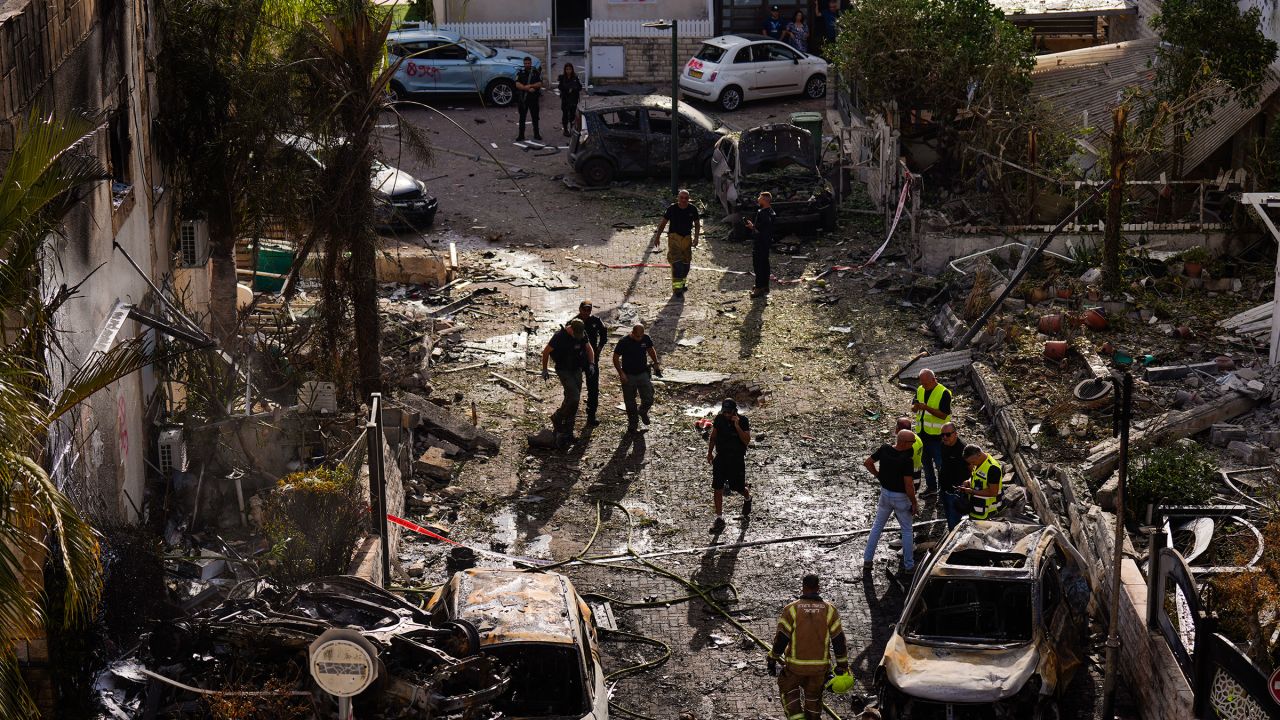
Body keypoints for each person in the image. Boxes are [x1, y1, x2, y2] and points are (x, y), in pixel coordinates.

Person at [768, 573, 849, 720]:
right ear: (818, 588)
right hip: (819, 669)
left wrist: (772, 658)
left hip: (794, 668)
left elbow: (781, 639)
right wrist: (842, 665)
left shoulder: (792, 609)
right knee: (813, 699)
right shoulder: (830, 610)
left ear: (803, 587)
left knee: (789, 693)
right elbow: (838, 640)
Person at [862, 429, 919, 571]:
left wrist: (879, 476)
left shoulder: (884, 449)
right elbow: (908, 484)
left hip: (885, 494)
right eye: (912, 442)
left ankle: (867, 560)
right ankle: (909, 565)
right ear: (905, 443)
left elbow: (868, 462)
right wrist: (914, 502)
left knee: (877, 527)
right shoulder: (907, 460)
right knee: (907, 530)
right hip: (901, 498)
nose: (913, 444)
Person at [540, 318, 594, 445]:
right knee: (574, 397)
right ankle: (558, 416)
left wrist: (591, 364)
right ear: (570, 329)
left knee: (573, 401)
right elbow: (546, 352)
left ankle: (568, 432)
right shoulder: (559, 336)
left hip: (576, 369)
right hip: (564, 370)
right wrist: (544, 369)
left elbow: (589, 348)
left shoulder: (581, 333)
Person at [707, 398, 752, 532]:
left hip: (736, 460)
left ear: (734, 411)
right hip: (721, 458)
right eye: (724, 412)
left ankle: (748, 497)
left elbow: (746, 440)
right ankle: (719, 518)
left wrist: (737, 426)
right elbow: (713, 436)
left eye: (729, 412)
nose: (726, 415)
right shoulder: (719, 419)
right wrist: (710, 452)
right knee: (717, 487)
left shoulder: (743, 421)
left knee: (737, 487)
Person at [613, 323, 661, 435]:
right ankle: (633, 423)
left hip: (643, 373)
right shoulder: (624, 342)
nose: (639, 339)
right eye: (637, 336)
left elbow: (650, 349)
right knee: (630, 402)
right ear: (632, 333)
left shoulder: (646, 338)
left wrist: (656, 362)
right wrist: (621, 373)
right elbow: (615, 358)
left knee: (649, 397)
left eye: (641, 336)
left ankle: (643, 411)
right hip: (628, 375)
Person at [651, 189, 701, 296]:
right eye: (681, 197)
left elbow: (697, 224)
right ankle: (677, 290)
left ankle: (682, 285)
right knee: (677, 265)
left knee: (686, 266)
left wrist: (696, 238)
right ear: (678, 198)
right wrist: (657, 237)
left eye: (686, 198)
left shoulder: (693, 209)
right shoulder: (672, 209)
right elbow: (663, 223)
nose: (683, 200)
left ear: (689, 199)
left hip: (687, 239)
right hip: (674, 238)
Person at [912, 368, 953, 496]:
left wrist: (927, 408)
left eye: (926, 383)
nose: (924, 385)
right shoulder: (920, 389)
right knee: (926, 464)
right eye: (922, 383)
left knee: (940, 465)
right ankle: (931, 487)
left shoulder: (943, 392)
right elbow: (913, 407)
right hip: (922, 434)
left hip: (938, 437)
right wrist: (916, 407)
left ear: (934, 379)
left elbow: (943, 414)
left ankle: (944, 490)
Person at [576, 300, 608, 426]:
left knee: (593, 388)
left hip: (592, 359)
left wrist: (599, 348)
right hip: (577, 360)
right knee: (574, 388)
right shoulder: (575, 323)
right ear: (580, 309)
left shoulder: (596, 321)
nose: (586, 312)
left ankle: (591, 416)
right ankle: (570, 416)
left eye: (589, 310)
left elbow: (604, 334)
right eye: (584, 309)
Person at [744, 191, 775, 298]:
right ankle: (765, 285)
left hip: (760, 242)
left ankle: (758, 288)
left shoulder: (762, 213)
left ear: (765, 200)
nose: (757, 199)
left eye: (760, 198)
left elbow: (759, 230)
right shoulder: (772, 212)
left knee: (758, 265)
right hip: (767, 242)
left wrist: (752, 227)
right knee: (765, 264)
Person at [960, 445, 1004, 520]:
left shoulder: (992, 468)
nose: (972, 464)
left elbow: (993, 492)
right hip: (977, 509)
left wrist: (972, 491)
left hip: (988, 513)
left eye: (973, 462)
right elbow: (977, 476)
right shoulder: (980, 462)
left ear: (979, 454)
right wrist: (969, 481)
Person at [938, 423, 968, 529]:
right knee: (948, 516)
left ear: (955, 434)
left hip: (956, 491)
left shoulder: (963, 449)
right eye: (942, 435)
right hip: (944, 488)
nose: (944, 437)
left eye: (947, 434)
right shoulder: (943, 444)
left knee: (955, 521)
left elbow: (972, 469)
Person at [515, 57, 543, 142]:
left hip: (533, 99)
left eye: (528, 63)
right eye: (525, 63)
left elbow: (540, 83)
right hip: (523, 99)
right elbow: (517, 84)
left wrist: (531, 86)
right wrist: (525, 88)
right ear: (524, 64)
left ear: (531, 63)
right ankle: (521, 135)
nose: (527, 65)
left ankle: (536, 134)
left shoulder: (535, 72)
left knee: (535, 117)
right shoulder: (520, 73)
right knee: (522, 118)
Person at [895, 416, 923, 486]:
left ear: (899, 429)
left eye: (897, 427)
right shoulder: (917, 438)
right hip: (917, 474)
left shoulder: (906, 445)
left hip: (908, 477)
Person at [557, 63, 583, 137]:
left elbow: (580, 87)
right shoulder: (562, 78)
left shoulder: (575, 77)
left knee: (572, 115)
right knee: (565, 115)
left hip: (573, 99)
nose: (568, 71)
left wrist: (574, 89)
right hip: (565, 99)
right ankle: (565, 130)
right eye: (567, 69)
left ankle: (572, 128)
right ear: (565, 70)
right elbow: (560, 87)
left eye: (570, 69)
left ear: (572, 70)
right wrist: (567, 89)